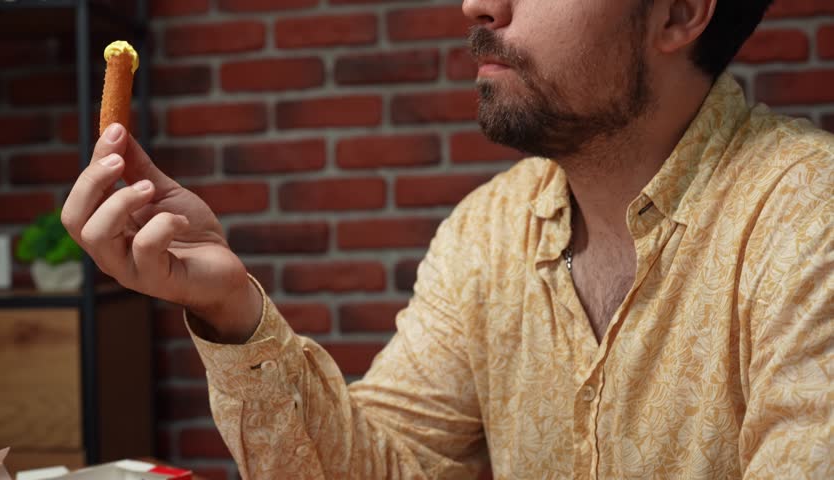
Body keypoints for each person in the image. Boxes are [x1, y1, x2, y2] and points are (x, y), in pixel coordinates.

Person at [62, 0, 832, 478]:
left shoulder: (809, 218)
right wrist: (232, 308)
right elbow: (386, 470)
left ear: (678, 14)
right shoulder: (487, 233)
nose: (477, 5)